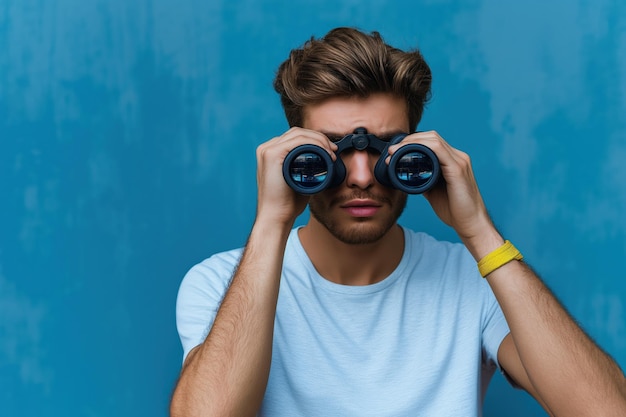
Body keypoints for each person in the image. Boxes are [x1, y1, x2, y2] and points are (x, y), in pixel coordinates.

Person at [169, 27, 626, 417]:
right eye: (333, 151)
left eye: (387, 149)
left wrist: (480, 233)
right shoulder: (219, 283)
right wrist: (271, 220)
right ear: (294, 153)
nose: (363, 177)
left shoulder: (475, 279)